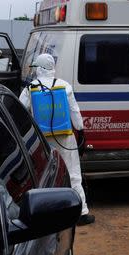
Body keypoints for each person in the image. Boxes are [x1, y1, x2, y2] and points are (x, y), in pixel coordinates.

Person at [19, 54, 95, 226]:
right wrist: (81, 132)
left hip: (42, 140)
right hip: (66, 137)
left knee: (43, 175)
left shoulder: (30, 88)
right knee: (74, 173)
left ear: (39, 68)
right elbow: (75, 112)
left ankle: (45, 215)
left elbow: (20, 112)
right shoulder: (64, 86)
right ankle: (82, 213)